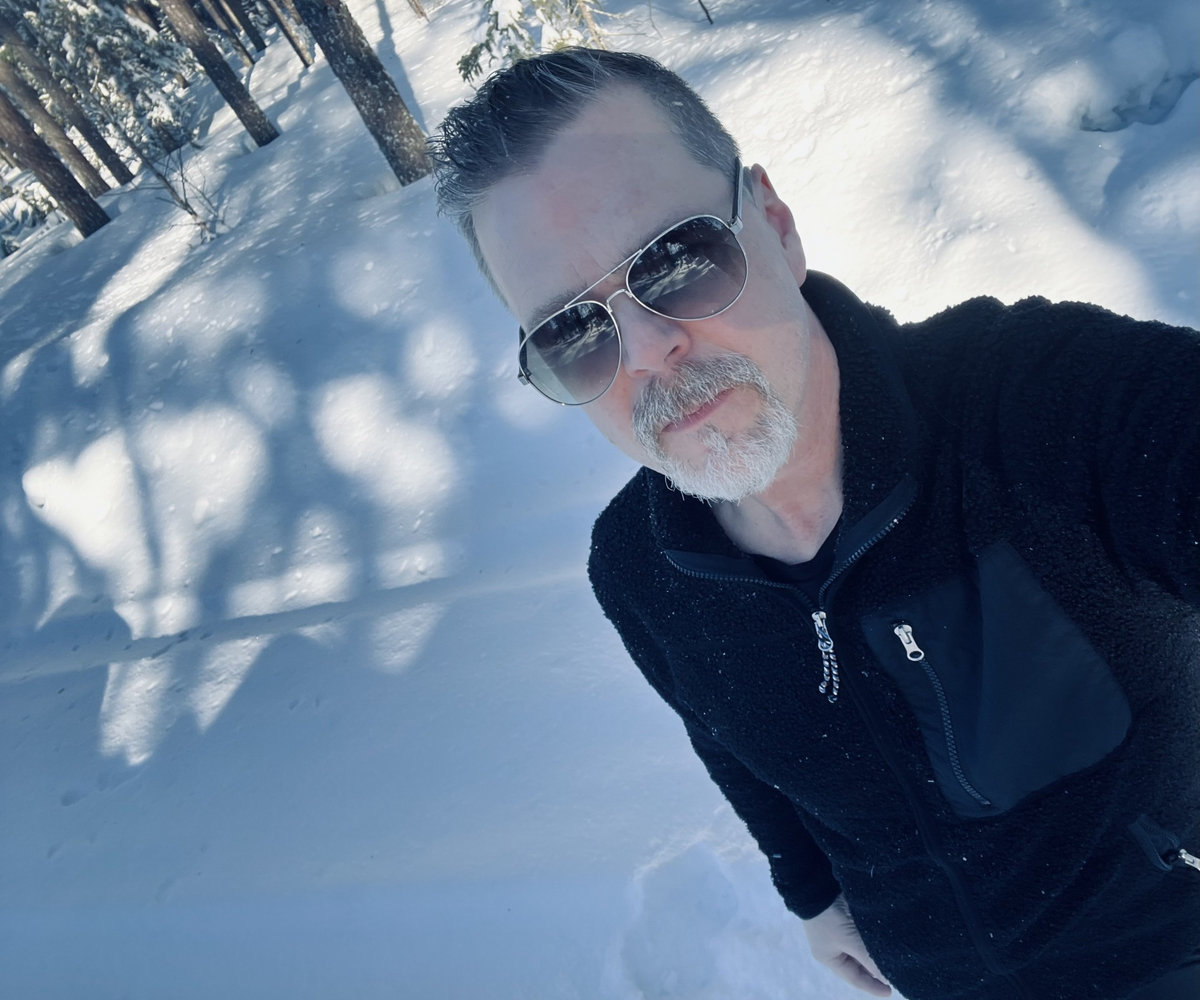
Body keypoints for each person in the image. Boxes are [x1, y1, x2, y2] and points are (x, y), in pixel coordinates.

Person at [428, 48, 1199, 999]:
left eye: (675, 259)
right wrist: (809, 891)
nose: (648, 350)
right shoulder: (636, 568)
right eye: (572, 333)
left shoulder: (1042, 407)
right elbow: (729, 744)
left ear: (777, 225)